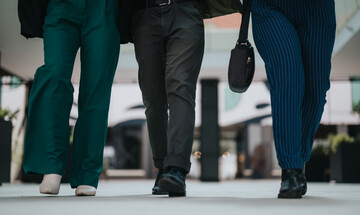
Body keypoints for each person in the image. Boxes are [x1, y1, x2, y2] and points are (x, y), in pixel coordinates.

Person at [19, 0, 132, 196]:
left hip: (103, 8)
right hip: (60, 6)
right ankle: (52, 166)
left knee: (96, 91)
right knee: (54, 76)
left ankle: (87, 174)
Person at [131, 0, 241, 197]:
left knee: (180, 86)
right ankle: (163, 166)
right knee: (153, 98)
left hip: (186, 10)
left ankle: (176, 169)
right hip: (145, 13)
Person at [251, 0, 336, 198]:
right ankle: (291, 170)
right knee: (287, 78)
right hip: (270, 5)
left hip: (318, 8)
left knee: (316, 90)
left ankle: (298, 158)